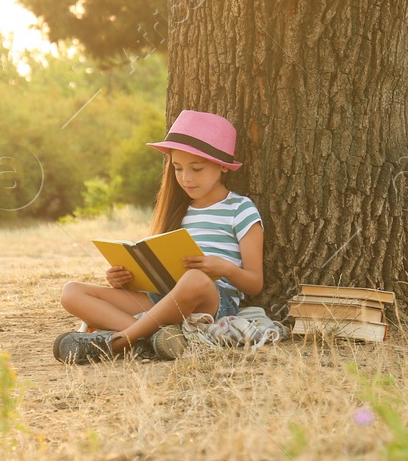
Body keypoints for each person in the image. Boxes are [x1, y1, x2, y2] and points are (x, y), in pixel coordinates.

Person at [55, 109, 264, 364]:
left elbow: (255, 282)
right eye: (178, 169)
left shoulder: (240, 209)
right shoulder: (177, 210)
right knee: (72, 292)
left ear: (222, 166)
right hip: (162, 297)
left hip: (212, 299)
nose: (186, 178)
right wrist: (123, 280)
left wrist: (225, 268)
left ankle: (119, 341)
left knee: (195, 279)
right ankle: (150, 339)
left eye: (196, 169)